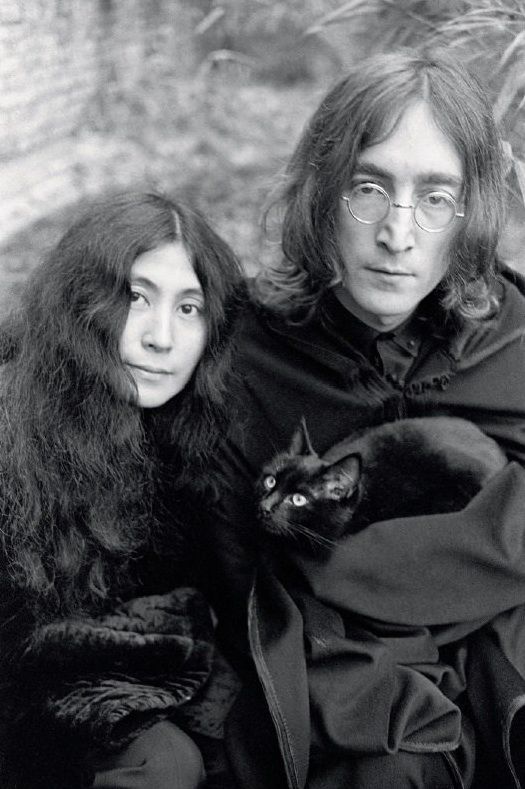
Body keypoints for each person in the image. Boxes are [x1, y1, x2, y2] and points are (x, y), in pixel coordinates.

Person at [196, 48, 525, 789]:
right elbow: (237, 581)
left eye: (435, 196)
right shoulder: (242, 358)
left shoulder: (510, 336)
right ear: (321, 191)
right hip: (343, 693)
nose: (397, 235)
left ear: (470, 211)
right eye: (368, 188)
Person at [0, 191, 243, 789]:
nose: (162, 337)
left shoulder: (188, 433)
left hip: (96, 690)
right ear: (81, 302)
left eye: (189, 308)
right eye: (137, 297)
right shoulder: (13, 429)